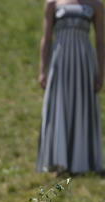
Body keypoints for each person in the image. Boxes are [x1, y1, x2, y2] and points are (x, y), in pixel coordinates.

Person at [36, 0, 104, 174]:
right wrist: (42, 70)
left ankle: (81, 162)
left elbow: (100, 40)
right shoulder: (53, 3)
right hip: (60, 61)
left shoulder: (95, 5)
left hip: (83, 61)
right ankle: (59, 161)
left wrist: (101, 71)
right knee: (59, 106)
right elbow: (46, 38)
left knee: (82, 106)